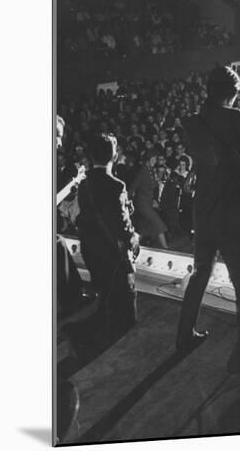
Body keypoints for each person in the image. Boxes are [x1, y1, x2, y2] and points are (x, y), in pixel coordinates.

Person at [176, 66, 240, 392]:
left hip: (203, 210)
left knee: (201, 272)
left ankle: (184, 335)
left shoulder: (191, 120)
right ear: (232, 91)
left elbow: (207, 158)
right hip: (231, 214)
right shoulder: (235, 118)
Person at [77, 133, 140, 343]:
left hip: (90, 249)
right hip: (112, 252)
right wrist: (133, 237)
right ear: (113, 156)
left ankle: (100, 334)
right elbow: (122, 226)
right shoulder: (116, 185)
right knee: (125, 297)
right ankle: (117, 339)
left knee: (105, 293)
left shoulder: (84, 185)